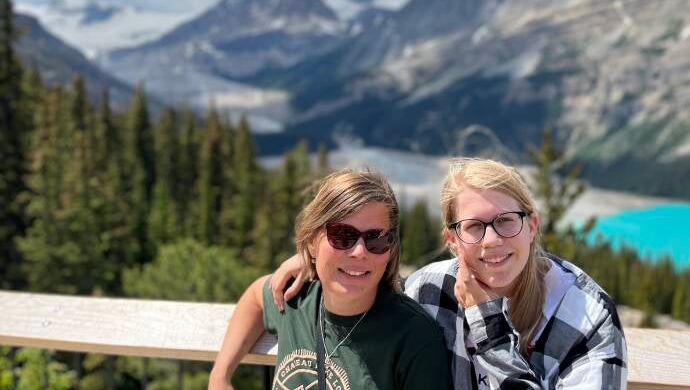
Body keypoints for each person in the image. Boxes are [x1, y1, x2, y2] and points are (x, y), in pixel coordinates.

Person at [269, 159, 628, 389]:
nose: (492, 240)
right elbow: (364, 282)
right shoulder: (429, 289)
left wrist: (489, 325)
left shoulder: (587, 318)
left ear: (531, 226)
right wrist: (317, 258)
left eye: (506, 221)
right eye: (474, 227)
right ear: (452, 240)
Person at [208, 169, 452, 390]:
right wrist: (219, 377)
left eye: (376, 239)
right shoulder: (296, 299)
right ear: (312, 240)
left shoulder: (414, 337)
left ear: (390, 250)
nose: (359, 251)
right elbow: (255, 297)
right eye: (342, 236)